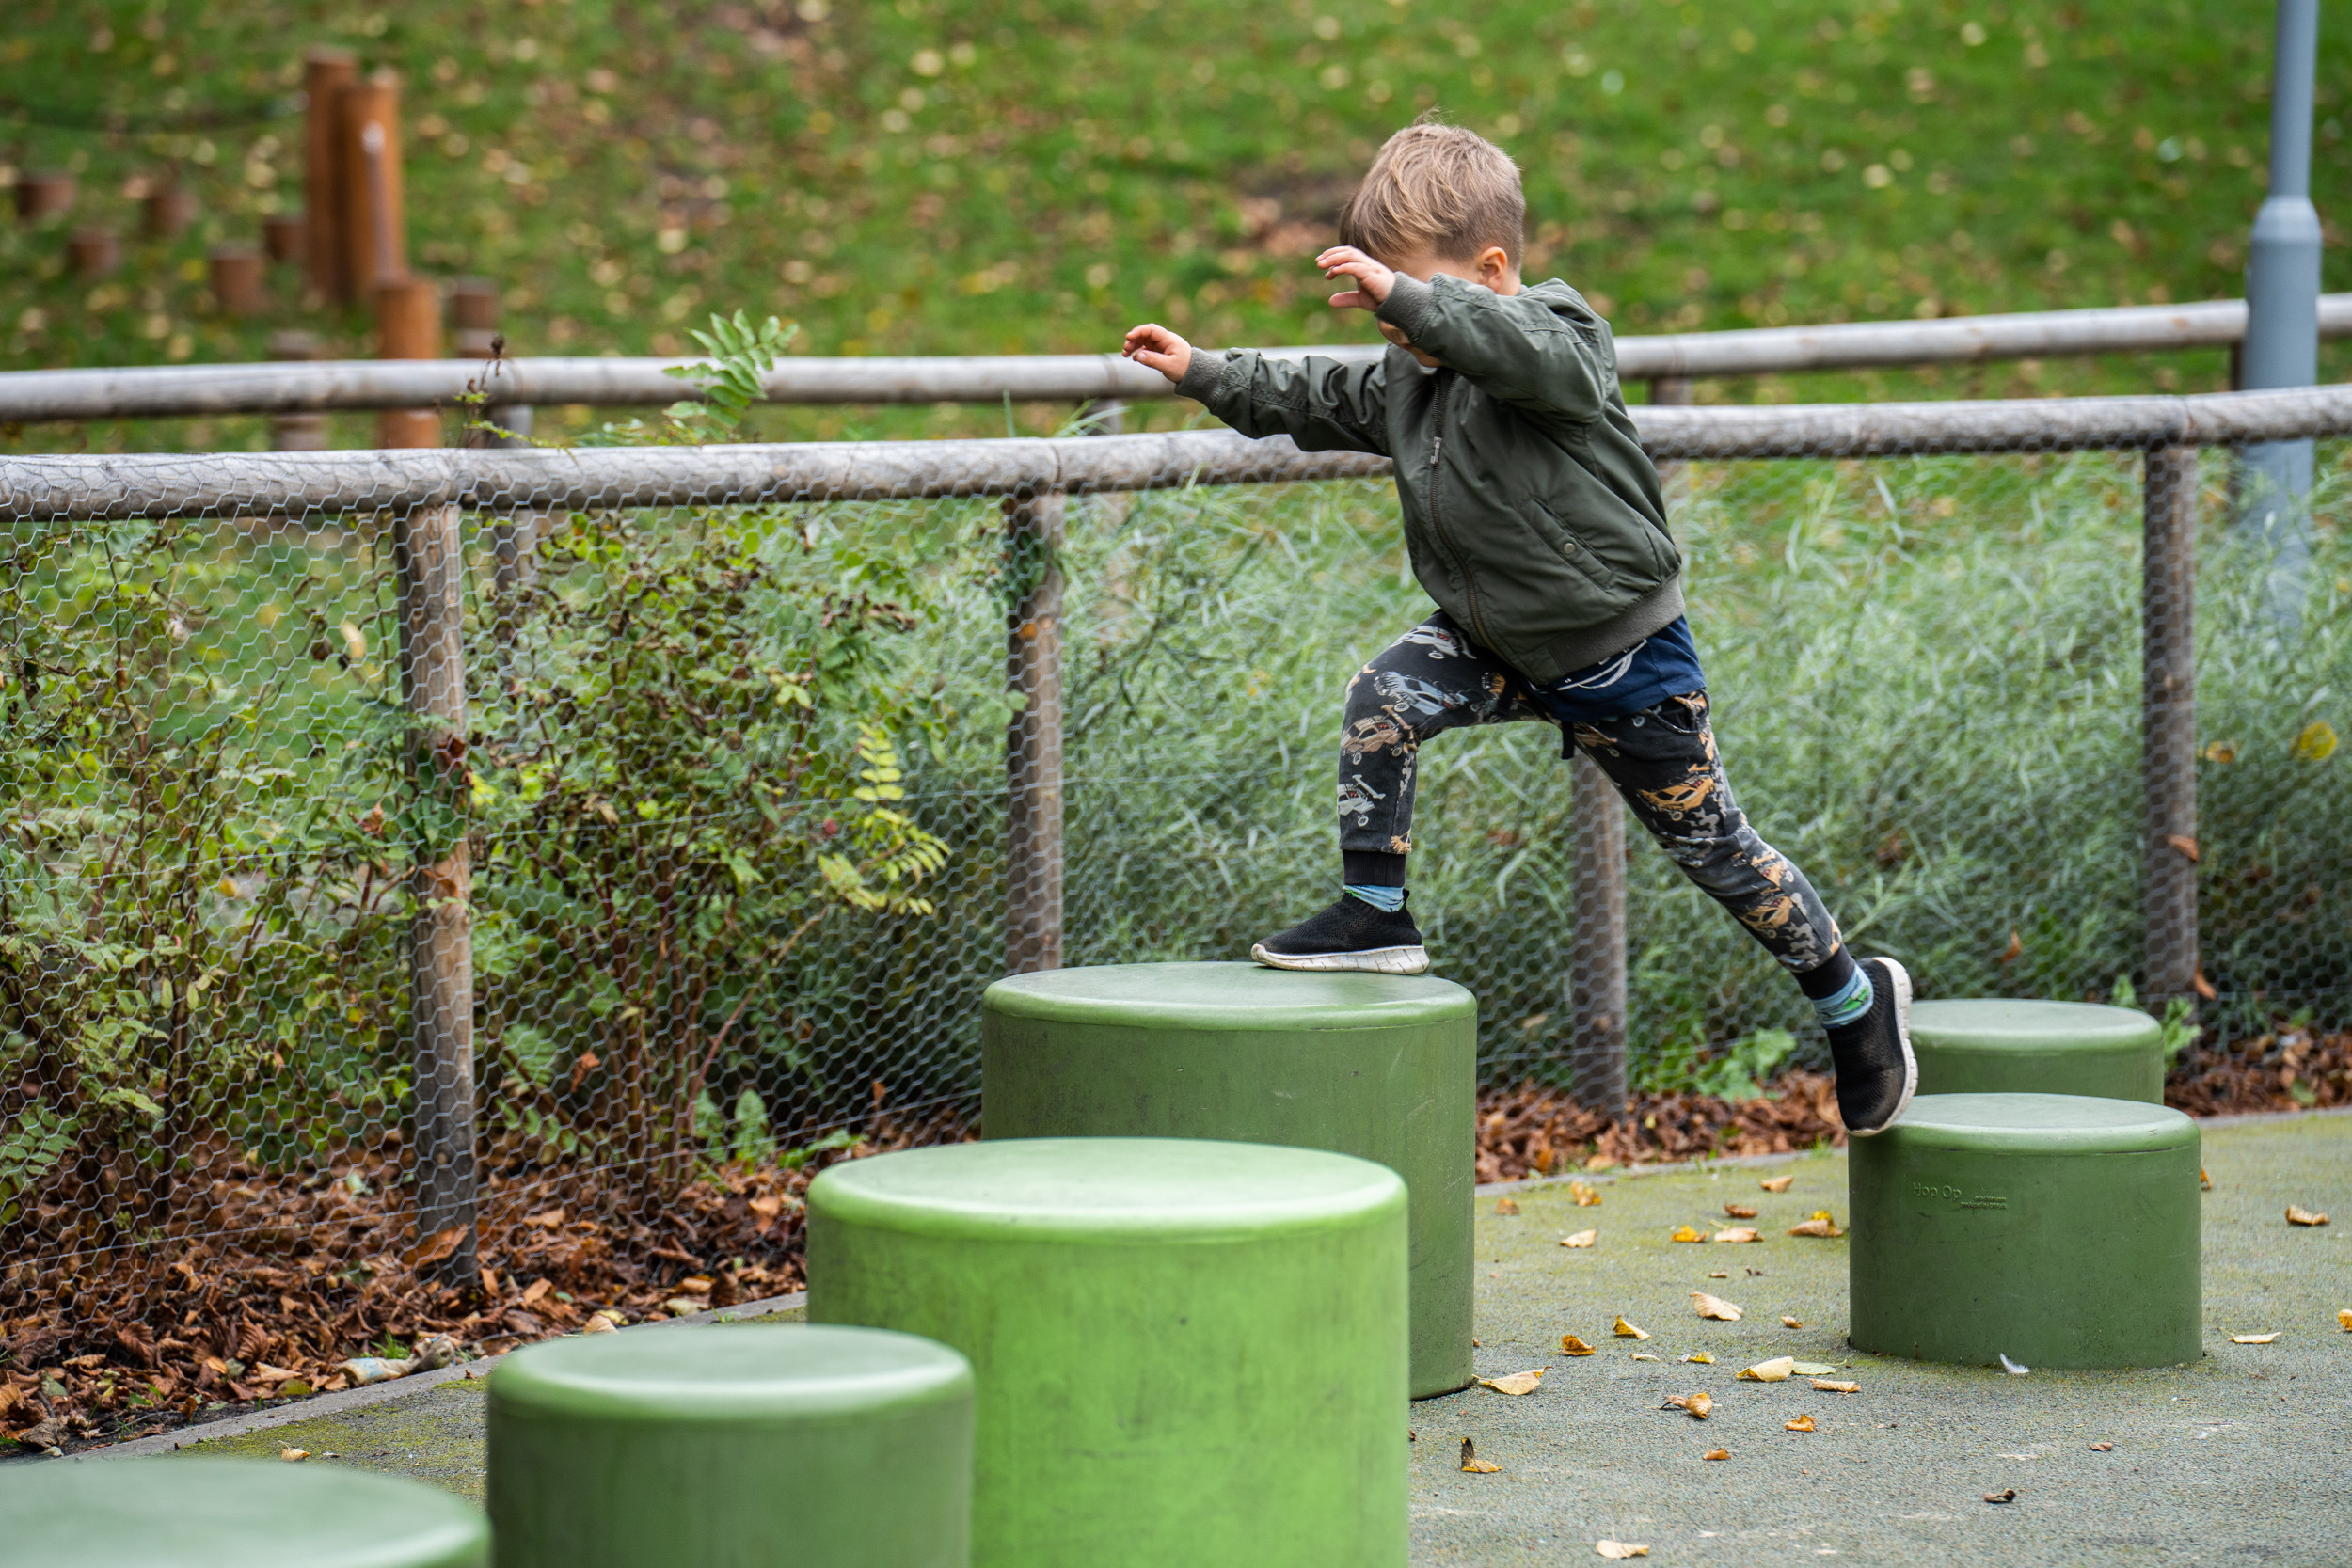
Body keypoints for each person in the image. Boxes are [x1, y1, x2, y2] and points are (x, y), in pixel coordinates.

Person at [1119, 118, 1915, 1133]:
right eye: (1382, 310)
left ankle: (1853, 1003)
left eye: (1411, 299)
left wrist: (1411, 300)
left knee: (1714, 848)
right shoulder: (1411, 376)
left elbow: (1508, 345)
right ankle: (1375, 913)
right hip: (1496, 644)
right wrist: (1204, 370)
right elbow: (1313, 393)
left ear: (1490, 270)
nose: (1394, 330)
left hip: (1619, 655)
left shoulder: (1560, 337)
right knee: (1385, 693)